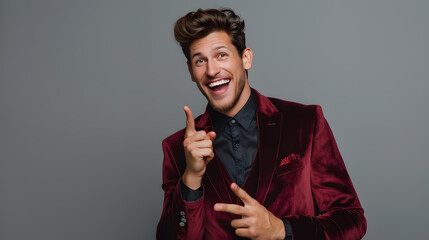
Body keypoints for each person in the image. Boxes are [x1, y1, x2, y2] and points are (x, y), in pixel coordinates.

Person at [157, 8, 366, 240]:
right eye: (200, 60)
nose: (212, 70)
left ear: (246, 58)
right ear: (191, 72)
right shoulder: (177, 148)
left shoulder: (305, 123)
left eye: (221, 55)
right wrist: (191, 179)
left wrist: (282, 230)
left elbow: (351, 219)